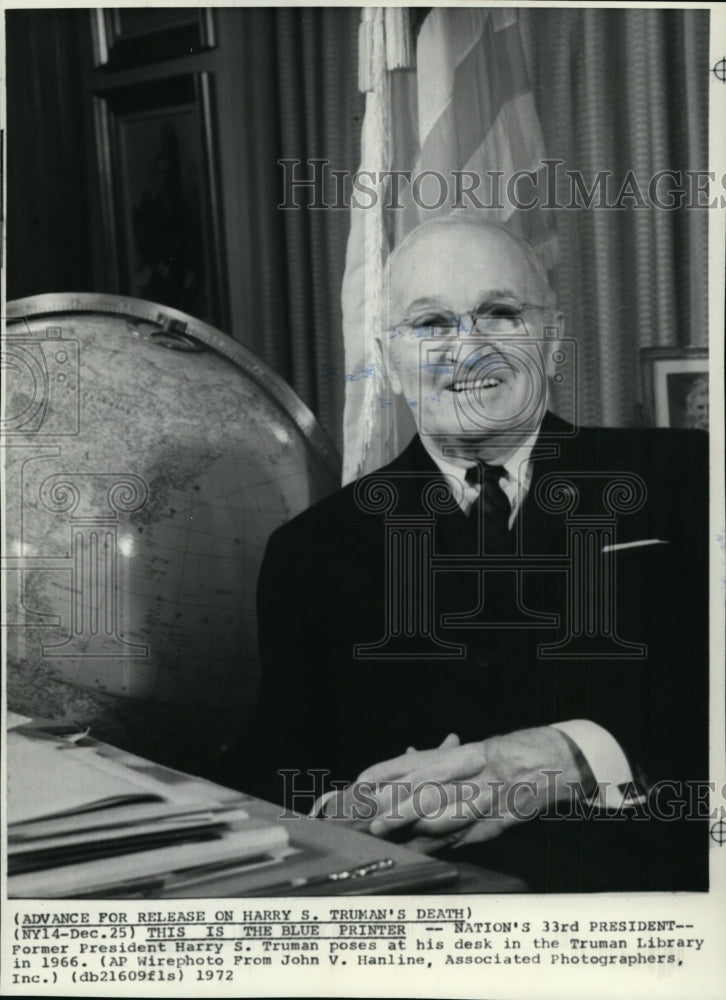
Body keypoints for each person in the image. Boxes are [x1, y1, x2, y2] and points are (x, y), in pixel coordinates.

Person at [228, 216, 709, 891]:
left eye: (500, 313)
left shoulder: (693, 482)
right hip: (425, 920)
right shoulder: (310, 551)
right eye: (431, 326)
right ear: (389, 362)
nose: (469, 350)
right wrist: (341, 810)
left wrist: (577, 755)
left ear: (554, 339)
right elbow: (271, 764)